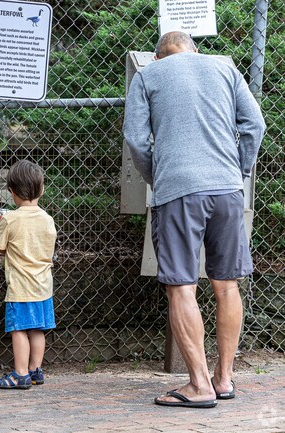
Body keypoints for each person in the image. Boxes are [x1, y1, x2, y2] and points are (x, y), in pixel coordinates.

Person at [123, 31, 266, 408]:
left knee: (182, 287)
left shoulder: (149, 76)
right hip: (228, 189)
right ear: (196, 50)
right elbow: (255, 125)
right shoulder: (225, 69)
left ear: (157, 58)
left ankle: (199, 385)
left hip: (179, 191)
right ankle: (223, 379)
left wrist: (160, 176)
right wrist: (239, 168)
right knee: (227, 285)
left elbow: (137, 140)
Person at [0, 159, 57, 389]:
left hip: (20, 288)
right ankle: (35, 370)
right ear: (42, 189)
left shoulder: (10, 218)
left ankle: (19, 374)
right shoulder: (48, 219)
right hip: (43, 287)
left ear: (11, 192)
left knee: (18, 329)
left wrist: (1, 225)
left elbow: (0, 247)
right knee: (38, 329)